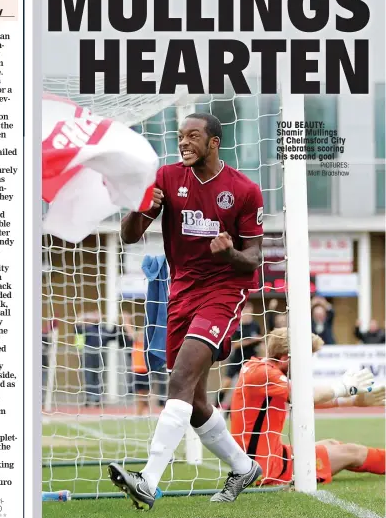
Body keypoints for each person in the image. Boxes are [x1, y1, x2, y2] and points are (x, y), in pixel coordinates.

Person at [108, 113, 264, 509]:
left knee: (178, 382)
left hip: (224, 291)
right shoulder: (167, 178)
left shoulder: (244, 191)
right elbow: (129, 236)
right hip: (181, 293)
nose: (184, 143)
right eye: (180, 137)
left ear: (214, 142)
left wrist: (229, 252)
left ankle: (148, 480)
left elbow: (254, 257)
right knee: (192, 401)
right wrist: (142, 208)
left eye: (193, 136)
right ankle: (243, 468)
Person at [230, 327, 385, 488]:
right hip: (266, 467)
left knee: (332, 443)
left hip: (266, 456)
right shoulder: (265, 374)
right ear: (285, 358)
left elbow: (303, 401)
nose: (306, 365)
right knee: (353, 452)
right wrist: (344, 387)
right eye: (304, 358)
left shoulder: (258, 366)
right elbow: (307, 396)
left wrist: (352, 401)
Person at [216, 301, 261, 413]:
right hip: (236, 358)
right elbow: (235, 344)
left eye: (249, 310)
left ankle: (232, 410)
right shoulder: (237, 326)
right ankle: (216, 405)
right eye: (245, 310)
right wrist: (251, 340)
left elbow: (260, 341)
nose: (247, 312)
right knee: (227, 384)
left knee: (245, 386)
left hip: (250, 360)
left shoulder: (255, 326)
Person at [131, 327, 151, 416]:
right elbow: (131, 333)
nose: (141, 336)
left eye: (143, 335)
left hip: (146, 372)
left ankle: (146, 411)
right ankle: (139, 413)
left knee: (146, 394)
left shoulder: (147, 346)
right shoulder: (136, 344)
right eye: (140, 335)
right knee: (140, 394)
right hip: (138, 372)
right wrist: (126, 321)